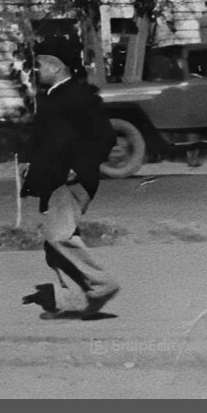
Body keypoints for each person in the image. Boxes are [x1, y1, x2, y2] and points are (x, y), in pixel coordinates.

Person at [20, 54, 120, 317]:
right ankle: (73, 302)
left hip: (70, 179)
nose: (34, 71)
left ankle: (101, 284)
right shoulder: (54, 96)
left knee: (59, 236)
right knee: (53, 249)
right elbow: (51, 141)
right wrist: (33, 165)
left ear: (55, 67)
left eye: (37, 66)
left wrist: (80, 167)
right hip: (54, 179)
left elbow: (105, 136)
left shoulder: (77, 95)